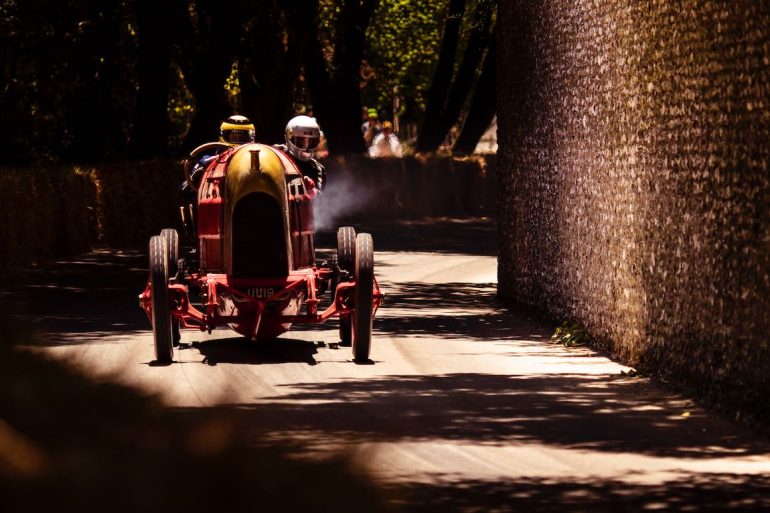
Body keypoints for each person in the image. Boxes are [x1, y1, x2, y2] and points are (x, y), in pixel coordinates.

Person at [275, 115, 326, 198]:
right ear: (288, 138)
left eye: (310, 141)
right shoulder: (277, 157)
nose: (306, 147)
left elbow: (320, 200)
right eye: (301, 141)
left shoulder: (318, 169)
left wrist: (312, 191)